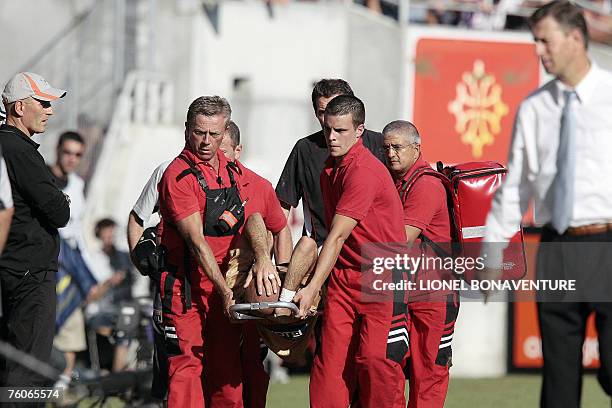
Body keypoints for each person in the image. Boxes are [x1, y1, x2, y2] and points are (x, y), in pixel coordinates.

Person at [483, 2, 612, 407]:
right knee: (558, 380)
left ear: (575, 38)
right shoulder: (534, 108)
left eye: (545, 40)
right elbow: (516, 187)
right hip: (557, 249)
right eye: (535, 40)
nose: (539, 50)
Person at [157, 96, 287, 407]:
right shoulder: (178, 176)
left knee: (228, 377)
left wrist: (266, 263)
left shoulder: (236, 174)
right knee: (187, 371)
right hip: (186, 288)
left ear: (225, 131)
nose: (205, 141)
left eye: (214, 134)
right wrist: (226, 293)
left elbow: (259, 220)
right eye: (199, 132)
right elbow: (197, 243)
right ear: (187, 129)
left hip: (226, 287)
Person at [292, 95, 407, 407]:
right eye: (328, 128)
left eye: (340, 130)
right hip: (345, 276)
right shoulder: (330, 170)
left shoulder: (363, 171)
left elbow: (337, 236)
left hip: (383, 276)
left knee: (375, 363)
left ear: (360, 131)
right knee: (329, 367)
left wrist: (313, 285)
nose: (331, 137)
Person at [275, 79, 385, 298]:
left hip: (372, 254)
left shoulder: (381, 145)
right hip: (320, 250)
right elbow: (279, 212)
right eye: (322, 112)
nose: (328, 119)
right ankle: (284, 304)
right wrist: (268, 263)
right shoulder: (305, 149)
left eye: (336, 109)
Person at [0, 72, 70, 389]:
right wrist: (60, 197)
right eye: (42, 103)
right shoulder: (19, 149)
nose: (49, 110)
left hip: (14, 266)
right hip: (29, 272)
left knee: (14, 361)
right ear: (18, 108)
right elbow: (59, 211)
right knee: (29, 367)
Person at [383, 120, 459, 408]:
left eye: (397, 147)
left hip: (433, 295)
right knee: (390, 363)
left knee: (429, 372)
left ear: (416, 149)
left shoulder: (426, 184)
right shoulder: (398, 182)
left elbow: (401, 239)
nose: (391, 153)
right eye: (386, 147)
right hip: (407, 291)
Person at [49, 131, 97, 387]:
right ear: (57, 149)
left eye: (77, 154)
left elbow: (78, 232)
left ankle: (61, 390)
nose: (71, 159)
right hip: (46, 264)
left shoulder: (78, 186)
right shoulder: (41, 177)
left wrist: (87, 274)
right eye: (67, 152)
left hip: (71, 268)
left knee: (70, 329)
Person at [87, 218, 134, 372]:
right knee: (127, 318)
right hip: (99, 311)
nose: (110, 237)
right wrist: (110, 282)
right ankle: (118, 374)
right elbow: (90, 297)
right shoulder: (93, 258)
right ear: (98, 235)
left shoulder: (123, 256)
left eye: (112, 233)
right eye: (106, 233)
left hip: (121, 307)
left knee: (134, 315)